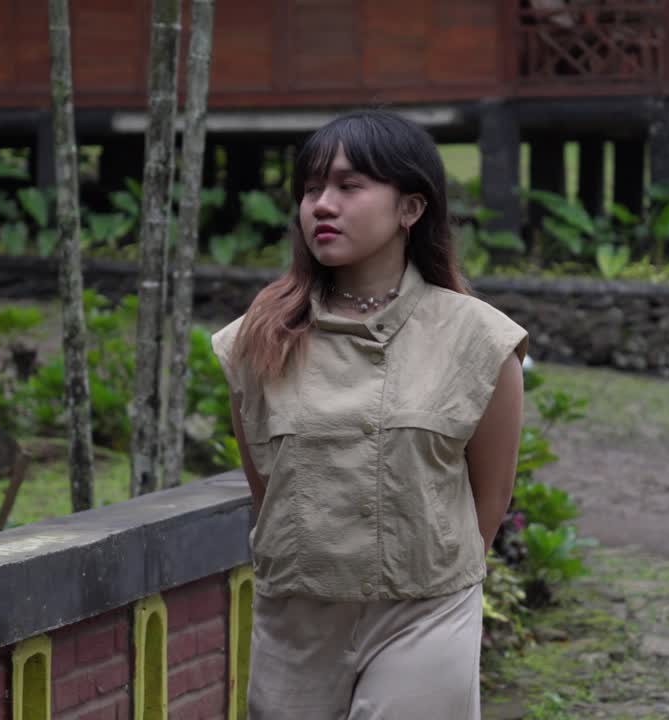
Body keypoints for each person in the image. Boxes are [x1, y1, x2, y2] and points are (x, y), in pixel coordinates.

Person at [211, 110, 528, 720]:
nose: (321, 205)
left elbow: (490, 498)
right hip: (296, 617)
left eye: (349, 186)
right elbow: (269, 489)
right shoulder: (259, 339)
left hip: (424, 607)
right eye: (310, 189)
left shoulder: (477, 338)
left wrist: (421, 562)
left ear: (411, 208)